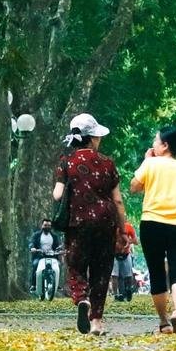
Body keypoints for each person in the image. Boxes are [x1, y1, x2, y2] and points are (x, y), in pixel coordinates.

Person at [53, 113, 127, 336]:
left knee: (75, 266)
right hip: (105, 222)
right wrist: (122, 230)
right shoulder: (108, 163)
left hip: (78, 222)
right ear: (92, 138)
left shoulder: (66, 162)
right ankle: (96, 322)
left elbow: (57, 195)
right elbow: (118, 200)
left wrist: (70, 186)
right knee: (101, 271)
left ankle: (82, 299)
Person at [130, 126, 176, 334]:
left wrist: (146, 162)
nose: (153, 145)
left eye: (156, 141)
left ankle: (163, 322)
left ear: (164, 146)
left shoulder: (151, 164)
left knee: (156, 273)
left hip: (151, 224)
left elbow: (134, 187)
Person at [29, 218, 62, 299]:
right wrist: (32, 248)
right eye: (45, 225)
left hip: (52, 256)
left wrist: (60, 250)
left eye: (49, 226)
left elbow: (58, 245)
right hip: (40, 256)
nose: (47, 227)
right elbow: (31, 242)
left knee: (58, 265)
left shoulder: (54, 236)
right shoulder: (36, 235)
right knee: (35, 265)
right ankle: (33, 285)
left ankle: (56, 284)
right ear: (42, 226)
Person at [112, 222, 138, 302]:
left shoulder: (128, 226)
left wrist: (128, 241)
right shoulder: (112, 225)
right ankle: (116, 294)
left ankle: (128, 291)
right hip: (114, 254)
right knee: (114, 276)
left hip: (126, 254)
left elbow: (136, 241)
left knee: (128, 276)